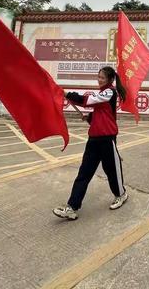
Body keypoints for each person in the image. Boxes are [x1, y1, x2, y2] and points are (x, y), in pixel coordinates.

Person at [53, 67, 128, 220]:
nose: (99, 79)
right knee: (84, 173)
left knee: (112, 170)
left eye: (102, 77)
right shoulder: (102, 93)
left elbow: (89, 101)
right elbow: (101, 112)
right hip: (94, 139)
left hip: (107, 138)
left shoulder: (110, 92)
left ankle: (121, 194)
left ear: (110, 80)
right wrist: (90, 118)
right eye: (98, 76)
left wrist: (67, 93)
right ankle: (72, 207)